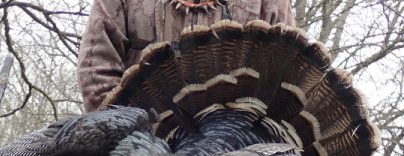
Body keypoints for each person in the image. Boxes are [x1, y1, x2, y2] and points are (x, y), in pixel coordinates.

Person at [77, 0, 295, 112]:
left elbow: (284, 75)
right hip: (138, 151)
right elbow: (96, 69)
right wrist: (131, 141)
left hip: (239, 151)